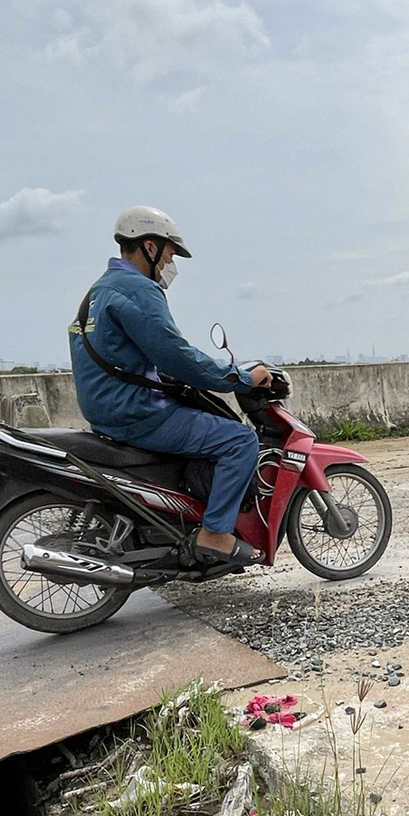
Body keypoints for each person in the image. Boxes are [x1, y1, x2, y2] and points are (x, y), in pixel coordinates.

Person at [69, 206, 274, 566]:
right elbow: (175, 354)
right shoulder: (138, 290)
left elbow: (127, 355)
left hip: (104, 408)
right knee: (239, 440)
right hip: (136, 411)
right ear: (149, 246)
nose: (168, 264)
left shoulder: (98, 292)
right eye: (167, 254)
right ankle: (216, 533)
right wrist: (240, 377)